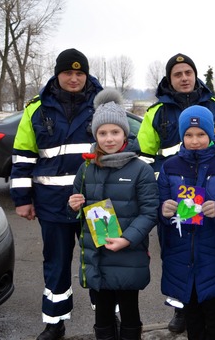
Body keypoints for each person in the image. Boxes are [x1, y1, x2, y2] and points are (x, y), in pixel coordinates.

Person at [135, 53, 215, 332]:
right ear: (169, 79)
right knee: (178, 262)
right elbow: (145, 158)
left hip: (211, 209)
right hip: (175, 201)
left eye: (188, 72)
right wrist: (162, 199)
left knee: (213, 272)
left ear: (194, 75)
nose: (184, 77)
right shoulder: (156, 112)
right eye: (177, 74)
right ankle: (181, 311)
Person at [10, 49, 103, 340]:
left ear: (86, 75)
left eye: (79, 73)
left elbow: (122, 148)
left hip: (100, 203)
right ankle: (54, 322)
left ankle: (106, 320)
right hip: (53, 205)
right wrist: (23, 200)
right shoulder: (37, 109)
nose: (74, 78)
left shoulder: (102, 106)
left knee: (105, 260)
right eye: (68, 73)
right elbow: (23, 157)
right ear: (57, 74)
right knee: (56, 264)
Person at [68, 88, 159, 340]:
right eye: (103, 133)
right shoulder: (86, 168)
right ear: (96, 135)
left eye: (115, 132)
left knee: (130, 309)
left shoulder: (140, 169)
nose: (109, 138)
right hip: (97, 254)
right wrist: (73, 205)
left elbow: (150, 211)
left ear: (125, 134)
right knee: (102, 310)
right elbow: (77, 208)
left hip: (128, 253)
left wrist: (127, 239)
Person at [157, 105, 215, 340]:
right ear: (182, 137)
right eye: (189, 135)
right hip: (181, 253)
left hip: (213, 252)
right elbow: (158, 204)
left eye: (200, 134)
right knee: (191, 317)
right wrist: (163, 210)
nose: (194, 140)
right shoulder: (170, 167)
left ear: (211, 133)